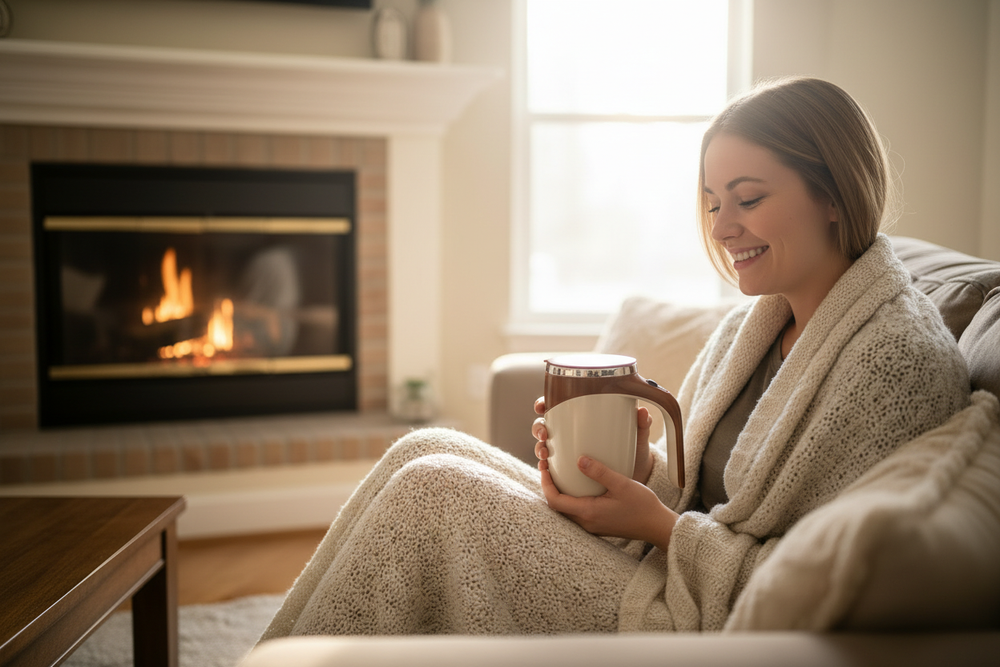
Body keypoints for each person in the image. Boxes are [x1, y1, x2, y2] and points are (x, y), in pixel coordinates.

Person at [258, 77, 970, 639]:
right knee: (422, 450)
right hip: (669, 565)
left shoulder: (894, 364)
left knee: (434, 491)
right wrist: (638, 472)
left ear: (835, 196)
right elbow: (701, 497)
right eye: (714, 200)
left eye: (748, 198)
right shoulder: (758, 325)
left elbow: (813, 582)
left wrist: (657, 525)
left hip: (692, 616)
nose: (723, 227)